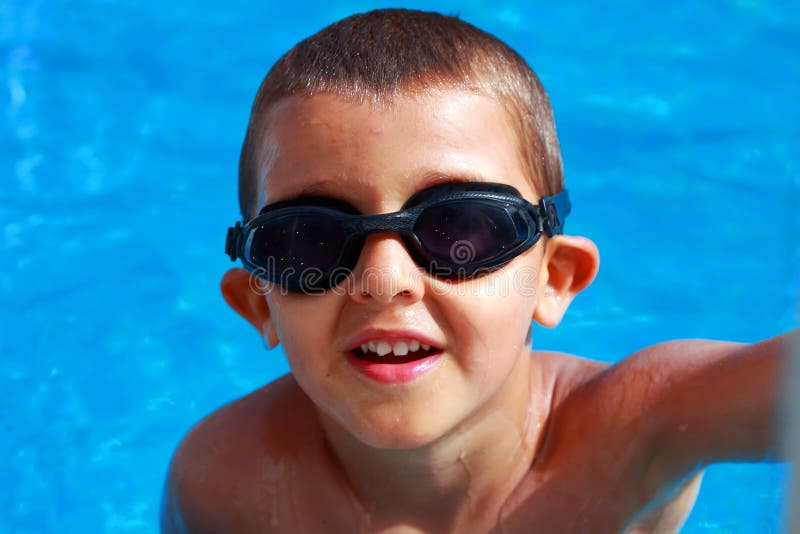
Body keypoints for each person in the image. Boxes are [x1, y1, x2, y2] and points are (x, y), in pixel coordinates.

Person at [160, 9, 794, 533]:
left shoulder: (632, 433)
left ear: (554, 278)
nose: (385, 279)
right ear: (260, 302)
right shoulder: (229, 481)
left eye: (459, 225)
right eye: (311, 239)